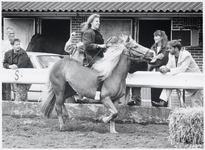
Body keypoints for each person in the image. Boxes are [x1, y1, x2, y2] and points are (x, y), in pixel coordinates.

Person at [153, 40, 203, 107]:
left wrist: (168, 69)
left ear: (176, 48)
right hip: (183, 78)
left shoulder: (186, 55)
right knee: (169, 83)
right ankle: (163, 101)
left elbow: (182, 69)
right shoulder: (171, 55)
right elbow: (169, 65)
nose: (169, 50)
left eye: (170, 48)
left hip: (195, 80)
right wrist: (163, 68)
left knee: (197, 104)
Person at [81, 13, 110, 100]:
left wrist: (106, 47)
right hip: (91, 57)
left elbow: (101, 46)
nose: (98, 23)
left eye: (99, 21)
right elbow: (87, 45)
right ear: (91, 22)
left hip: (100, 56)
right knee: (102, 70)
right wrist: (99, 46)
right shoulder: (88, 32)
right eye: (96, 21)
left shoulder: (98, 33)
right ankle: (97, 92)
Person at [148, 30, 169, 107]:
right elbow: (149, 59)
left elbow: (162, 61)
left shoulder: (166, 47)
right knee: (153, 92)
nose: (155, 37)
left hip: (162, 72)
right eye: (154, 36)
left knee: (161, 92)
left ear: (162, 37)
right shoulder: (153, 47)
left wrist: (154, 61)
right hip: (153, 72)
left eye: (157, 36)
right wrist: (155, 59)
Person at [2, 26, 16, 100]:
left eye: (13, 33)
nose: (12, 35)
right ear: (7, 34)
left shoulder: (17, 44)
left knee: (16, 90)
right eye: (10, 33)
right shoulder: (3, 44)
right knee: (6, 90)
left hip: (14, 70)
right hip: (6, 69)